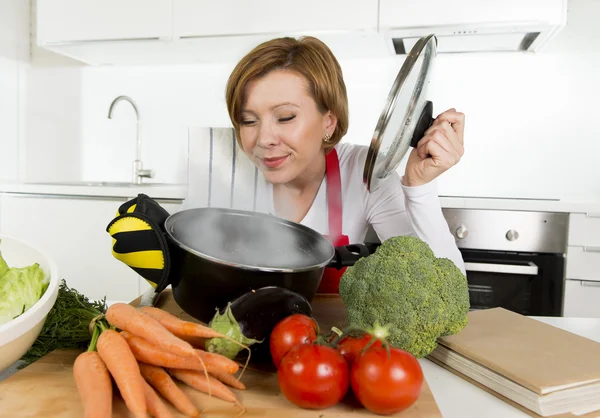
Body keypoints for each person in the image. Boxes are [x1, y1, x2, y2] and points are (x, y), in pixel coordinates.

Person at [223, 36, 466, 293]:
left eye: (285, 117)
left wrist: (420, 188)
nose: (264, 139)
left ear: (328, 122)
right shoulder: (221, 171)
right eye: (248, 121)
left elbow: (447, 291)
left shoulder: (361, 173)